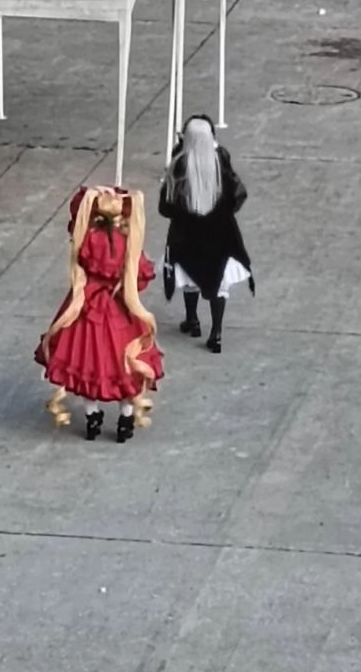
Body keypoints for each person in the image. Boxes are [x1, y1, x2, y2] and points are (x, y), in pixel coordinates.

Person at [35, 186, 163, 443]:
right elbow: (141, 279)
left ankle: (92, 419)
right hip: (120, 311)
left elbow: (76, 216)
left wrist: (91, 193)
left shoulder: (88, 239)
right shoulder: (129, 244)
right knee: (125, 369)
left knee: (88, 366)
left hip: (86, 309)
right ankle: (125, 421)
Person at [159, 114, 254, 354]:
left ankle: (192, 320)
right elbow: (237, 195)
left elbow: (165, 206)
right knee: (218, 281)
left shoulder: (179, 165)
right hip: (219, 235)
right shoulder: (221, 160)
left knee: (189, 277)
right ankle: (217, 332)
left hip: (186, 235)